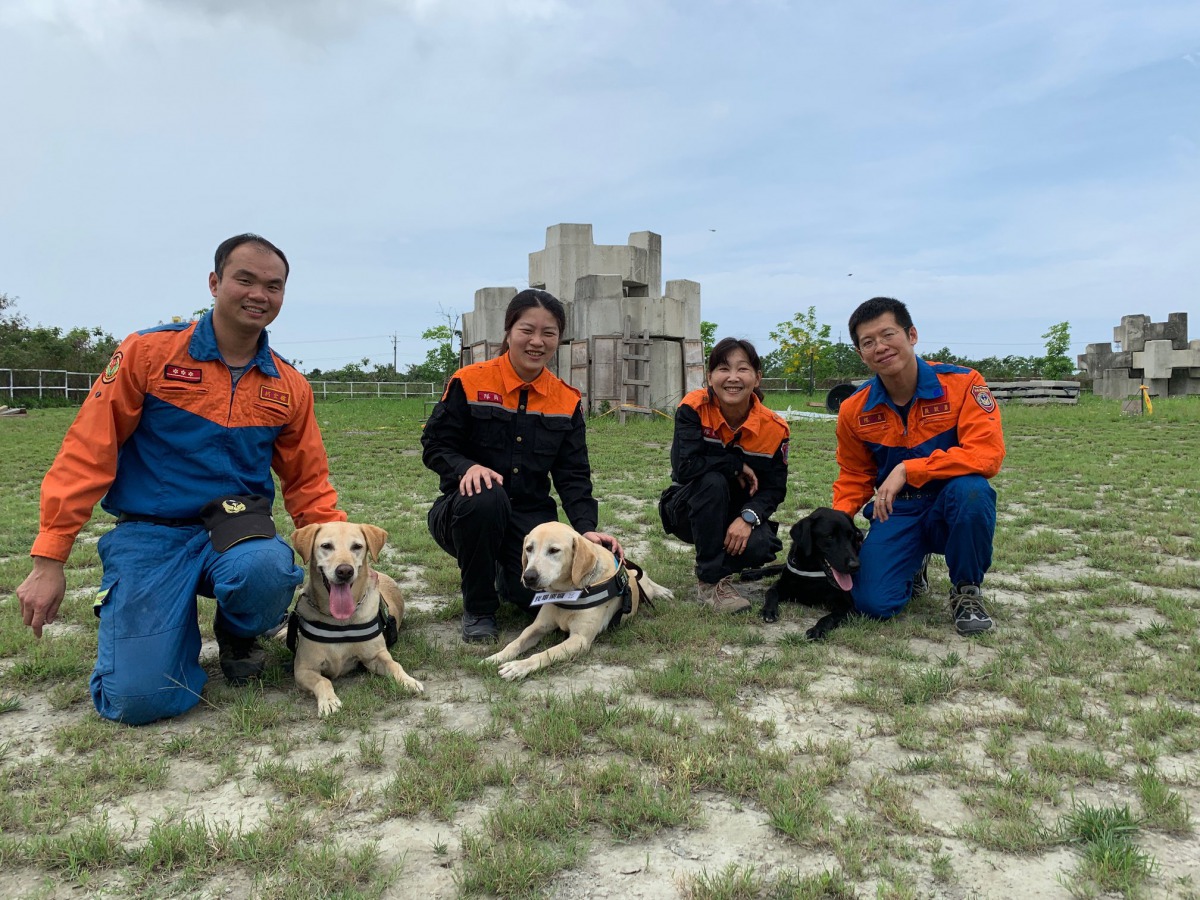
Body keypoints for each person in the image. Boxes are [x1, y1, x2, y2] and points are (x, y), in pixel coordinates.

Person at [16, 234, 345, 725]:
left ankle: (237, 632)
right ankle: (164, 635)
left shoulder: (288, 384)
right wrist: (50, 557)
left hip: (236, 529)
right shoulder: (148, 354)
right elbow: (87, 452)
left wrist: (342, 554)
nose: (259, 294)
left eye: (273, 286)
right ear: (214, 283)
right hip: (151, 532)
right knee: (140, 700)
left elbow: (308, 481)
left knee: (269, 570)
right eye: (245, 280)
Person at [421, 289, 623, 643]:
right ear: (509, 331)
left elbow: (573, 474)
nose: (537, 341)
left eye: (549, 333)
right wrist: (466, 468)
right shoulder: (469, 382)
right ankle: (479, 608)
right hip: (465, 512)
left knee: (531, 598)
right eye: (527, 330)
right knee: (486, 496)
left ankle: (506, 572)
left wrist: (586, 529)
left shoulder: (567, 400)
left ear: (559, 338)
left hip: (530, 521)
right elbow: (434, 445)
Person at [832, 296, 1005, 636]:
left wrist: (909, 469)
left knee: (973, 491)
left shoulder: (963, 384)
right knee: (872, 604)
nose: (880, 347)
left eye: (888, 334)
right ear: (861, 354)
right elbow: (855, 474)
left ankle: (967, 589)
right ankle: (912, 564)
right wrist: (837, 519)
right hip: (897, 511)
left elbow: (986, 454)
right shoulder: (854, 409)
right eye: (868, 342)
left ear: (911, 335)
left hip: (950, 505)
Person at [659, 337, 789, 613]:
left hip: (737, 510)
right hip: (687, 507)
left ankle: (720, 565)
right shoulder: (693, 408)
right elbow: (684, 466)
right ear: (710, 377)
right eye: (723, 368)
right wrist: (734, 465)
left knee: (763, 546)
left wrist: (748, 517)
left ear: (757, 378)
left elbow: (775, 488)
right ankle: (710, 581)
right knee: (712, 481)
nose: (732, 377)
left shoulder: (775, 428)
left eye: (742, 369)